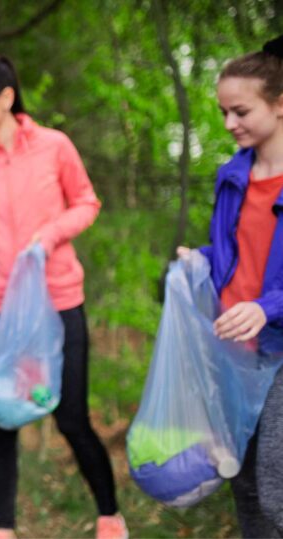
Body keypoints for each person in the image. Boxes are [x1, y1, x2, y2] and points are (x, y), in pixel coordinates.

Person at [0, 56, 126, 539]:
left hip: (59, 299)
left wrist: (50, 235)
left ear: (7, 97)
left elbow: (87, 202)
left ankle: (110, 515)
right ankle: (4, 527)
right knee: (2, 416)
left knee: (71, 417)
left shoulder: (55, 146)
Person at [176, 35, 283, 539]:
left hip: (277, 346)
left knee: (275, 486)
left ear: (280, 104)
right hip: (234, 348)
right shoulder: (232, 175)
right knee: (239, 474)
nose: (228, 124)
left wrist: (267, 308)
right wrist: (199, 259)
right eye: (223, 112)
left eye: (240, 111)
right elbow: (237, 248)